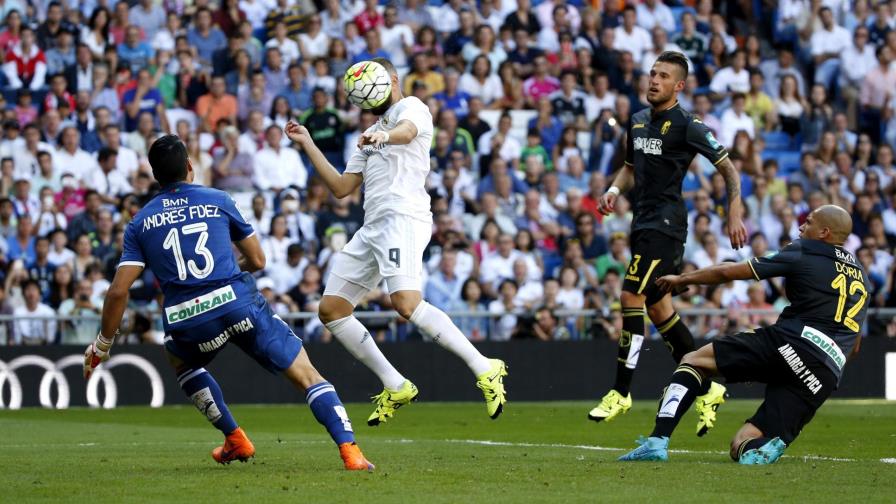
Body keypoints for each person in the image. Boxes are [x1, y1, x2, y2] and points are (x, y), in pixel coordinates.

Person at [83, 135, 374, 471]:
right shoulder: (219, 199)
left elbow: (118, 291)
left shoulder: (140, 222)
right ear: (190, 166)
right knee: (307, 375)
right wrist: (229, 273)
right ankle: (350, 451)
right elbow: (259, 259)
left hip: (189, 320)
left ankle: (234, 437)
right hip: (238, 303)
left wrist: (103, 345)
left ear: (155, 176)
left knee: (179, 359)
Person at [285, 57, 507, 426]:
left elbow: (404, 132)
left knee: (406, 303)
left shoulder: (412, 108)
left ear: (392, 78)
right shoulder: (369, 135)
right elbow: (342, 188)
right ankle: (395, 383)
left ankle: (485, 367)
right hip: (373, 226)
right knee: (331, 310)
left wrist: (384, 136)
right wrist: (307, 143)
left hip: (404, 218)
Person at [620, 206, 868, 464]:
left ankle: (656, 442)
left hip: (792, 341)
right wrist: (811, 366)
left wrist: (683, 278)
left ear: (824, 232)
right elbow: (856, 345)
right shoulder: (861, 275)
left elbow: (729, 272)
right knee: (742, 444)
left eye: (808, 222)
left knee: (694, 361)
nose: (801, 227)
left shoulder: (806, 250)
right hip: (826, 372)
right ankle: (763, 448)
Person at [589, 51, 747, 433]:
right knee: (659, 310)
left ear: (679, 85)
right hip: (642, 224)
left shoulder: (689, 125)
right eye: (651, 74)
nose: (653, 80)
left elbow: (727, 168)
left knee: (630, 296)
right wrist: (612, 190)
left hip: (667, 226)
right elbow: (629, 169)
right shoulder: (638, 122)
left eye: (662, 76)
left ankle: (621, 392)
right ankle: (707, 387)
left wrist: (735, 211)